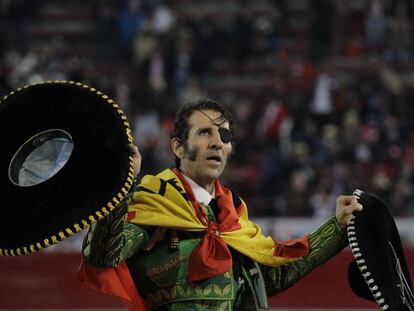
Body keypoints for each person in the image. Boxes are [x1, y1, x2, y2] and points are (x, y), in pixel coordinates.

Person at [79, 99, 363, 311]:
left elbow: (275, 274)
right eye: (205, 133)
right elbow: (104, 257)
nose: (217, 143)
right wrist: (120, 186)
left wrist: (337, 226)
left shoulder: (233, 215)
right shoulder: (152, 201)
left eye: (224, 136)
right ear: (178, 147)